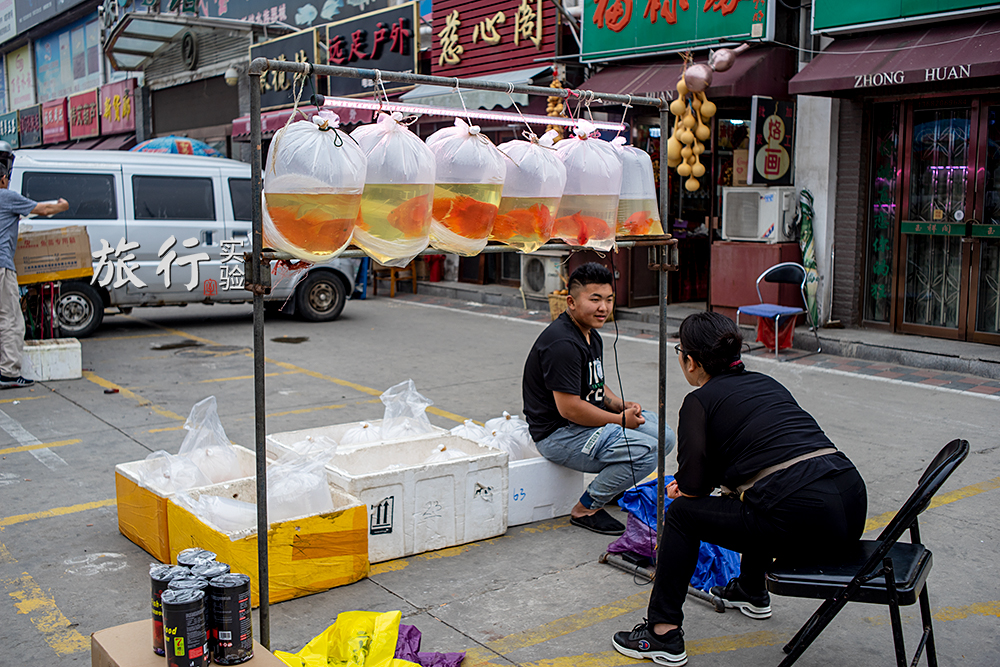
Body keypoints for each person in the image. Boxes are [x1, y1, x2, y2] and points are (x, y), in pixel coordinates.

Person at [612, 311, 867, 666]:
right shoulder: (767, 383)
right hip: (852, 506)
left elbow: (694, 486)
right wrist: (695, 484)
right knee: (754, 495)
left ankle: (662, 632)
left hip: (802, 521)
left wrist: (683, 488)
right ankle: (751, 589)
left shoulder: (699, 402)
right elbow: (763, 455)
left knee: (685, 515)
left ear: (691, 360)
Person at [522, 262, 676, 535]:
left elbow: (596, 385)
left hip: (586, 423)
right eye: (595, 300)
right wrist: (619, 420)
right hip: (560, 434)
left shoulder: (591, 335)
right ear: (571, 301)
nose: (603, 308)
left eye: (609, 299)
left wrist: (620, 404)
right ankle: (586, 508)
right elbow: (569, 409)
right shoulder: (563, 344)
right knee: (645, 452)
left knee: (665, 436)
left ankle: (612, 487)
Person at [0, 142, 69, 389]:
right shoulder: (6, 196)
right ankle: (8, 373)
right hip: (1, 266)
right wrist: (63, 205)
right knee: (10, 320)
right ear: (3, 178)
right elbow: (44, 208)